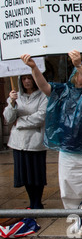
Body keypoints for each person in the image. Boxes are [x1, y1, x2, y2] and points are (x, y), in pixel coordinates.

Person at [21, 50, 82, 235]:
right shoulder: (63, 91)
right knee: (70, 185)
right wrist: (34, 68)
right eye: (78, 73)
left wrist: (79, 64)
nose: (81, 78)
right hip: (69, 150)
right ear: (72, 76)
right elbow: (44, 87)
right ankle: (78, 215)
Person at [3, 75, 48, 209]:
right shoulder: (16, 97)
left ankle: (37, 202)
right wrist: (11, 103)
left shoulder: (43, 96)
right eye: (24, 79)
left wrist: (20, 122)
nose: (27, 81)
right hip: (19, 143)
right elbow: (9, 118)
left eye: (29, 78)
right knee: (26, 175)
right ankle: (31, 201)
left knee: (36, 174)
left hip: (35, 142)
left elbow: (41, 117)